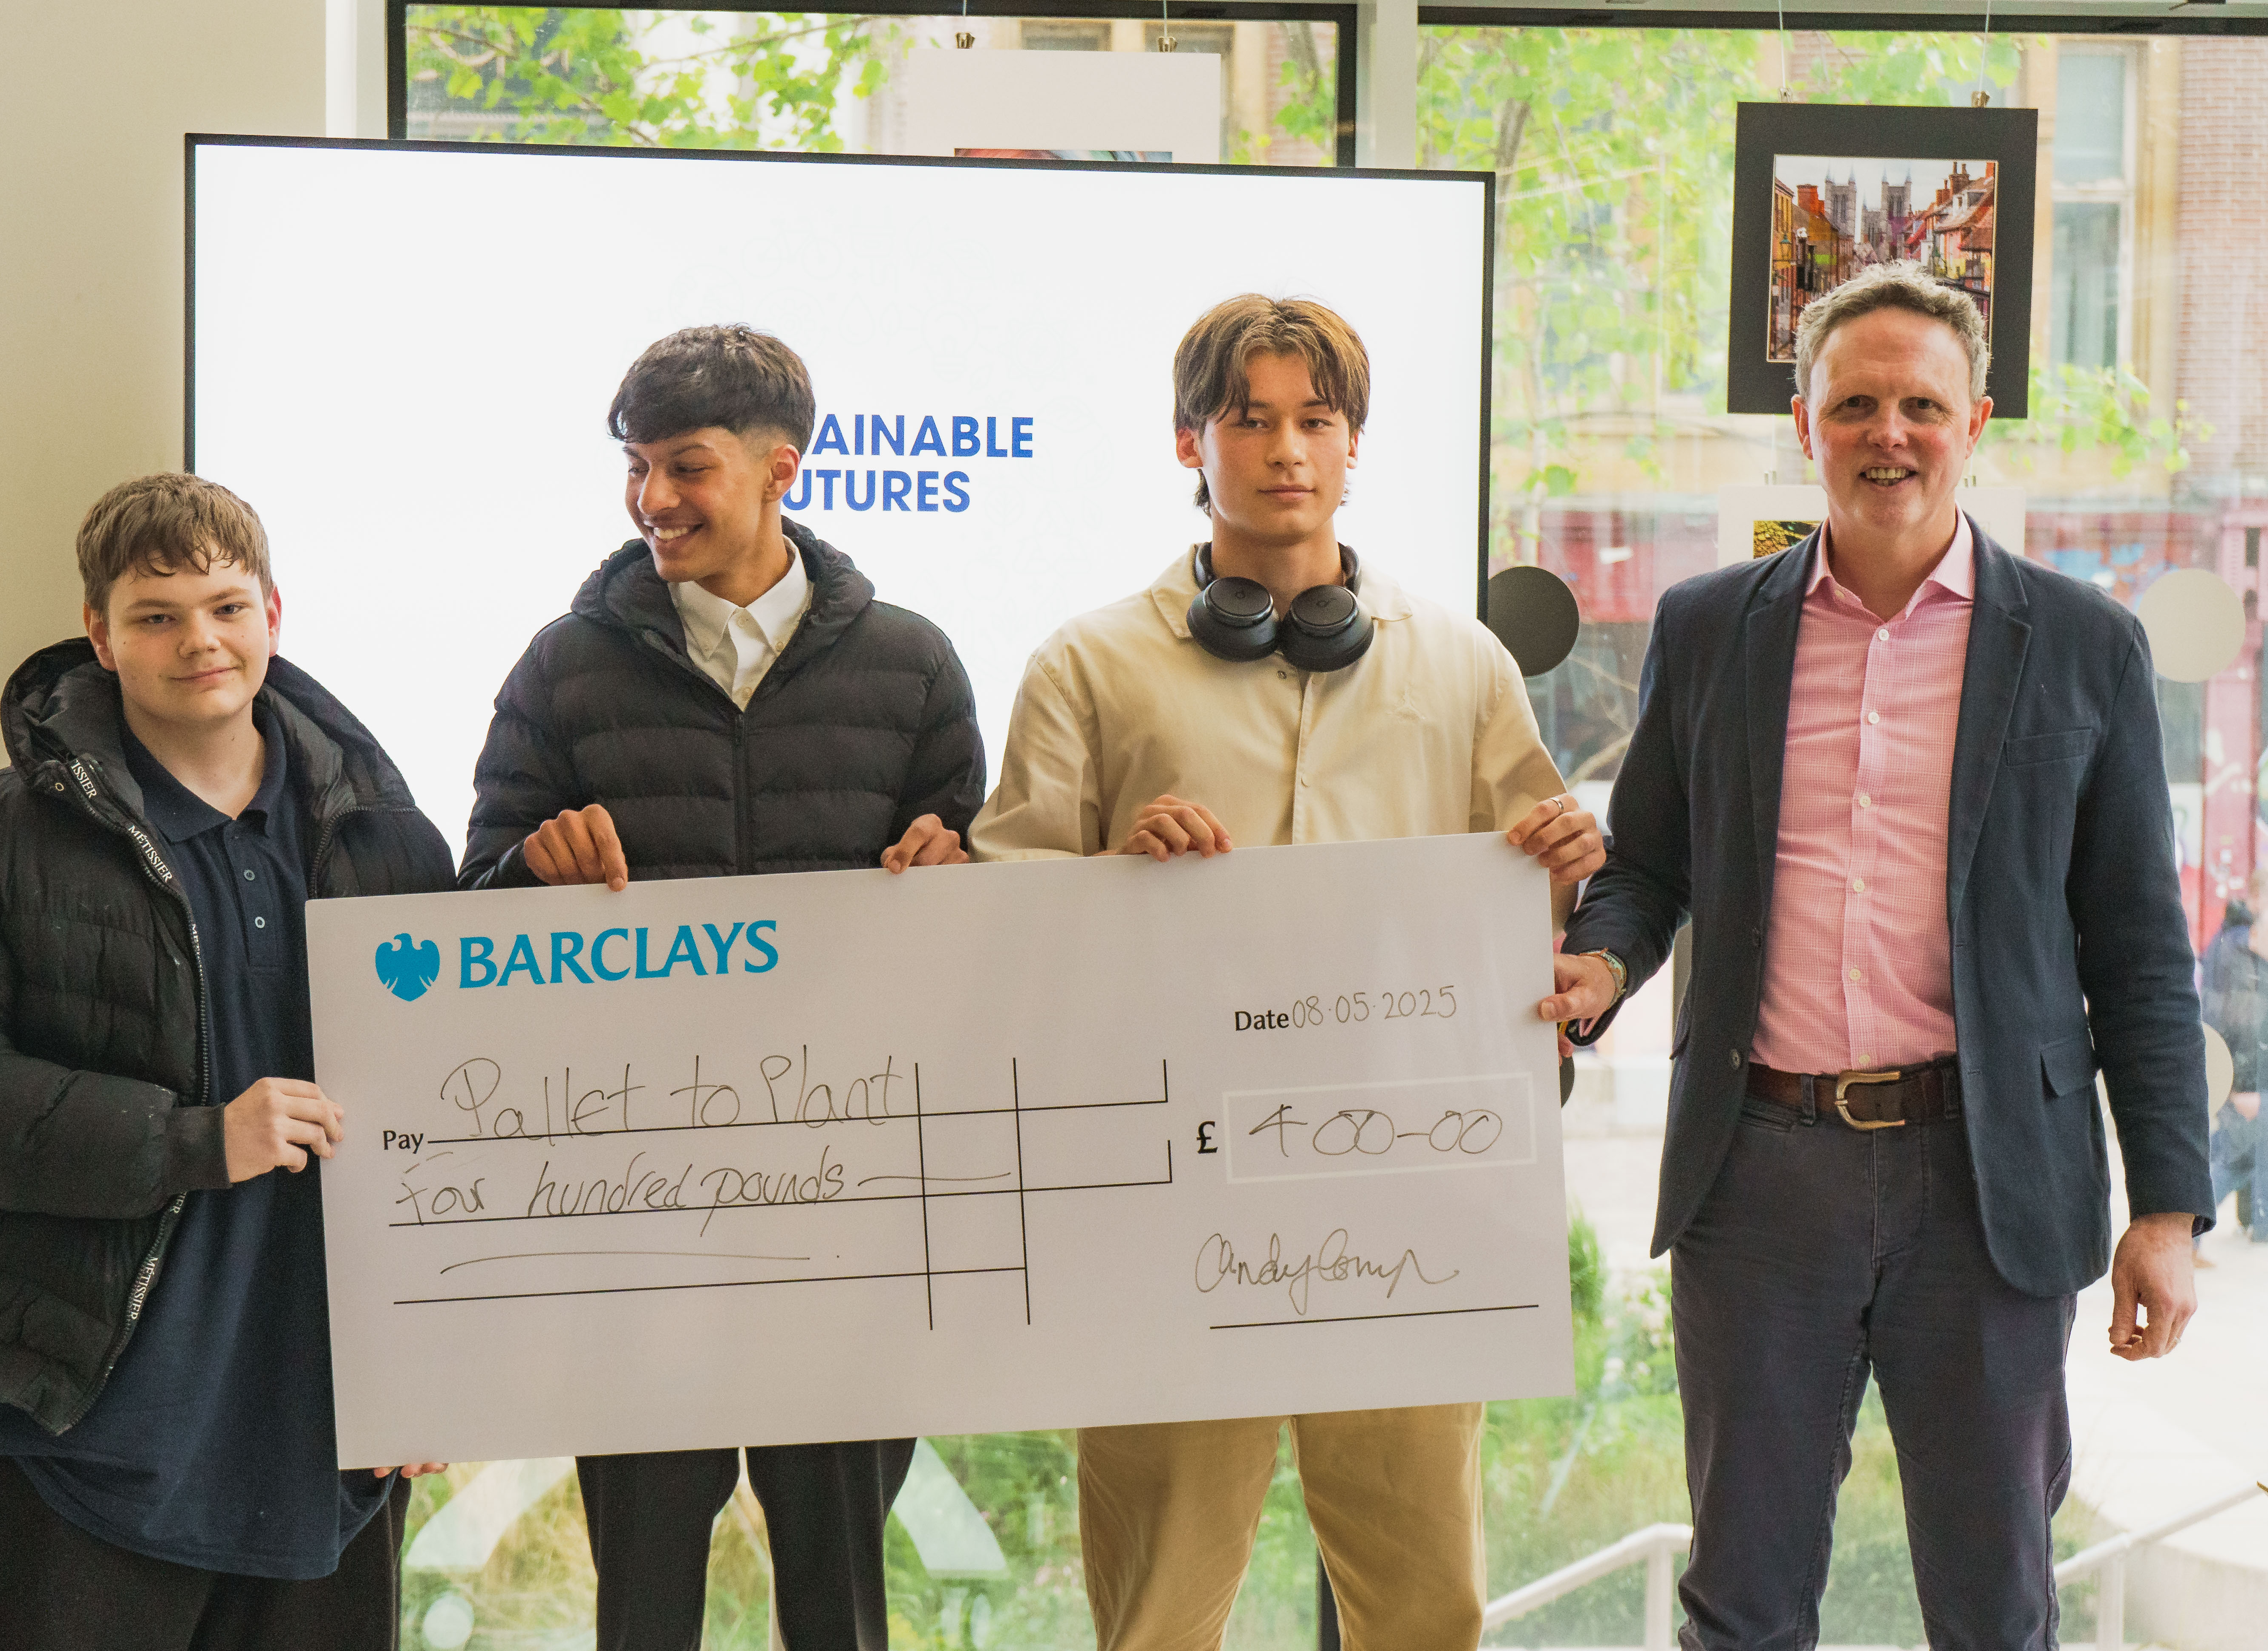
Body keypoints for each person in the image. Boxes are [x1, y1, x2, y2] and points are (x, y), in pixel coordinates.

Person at [1545, 261, 2213, 1646]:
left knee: (1994, 1604)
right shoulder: (1708, 627)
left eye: (1922, 403)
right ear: (1806, 425)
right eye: (1856, 404)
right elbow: (1649, 862)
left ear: (1976, 423)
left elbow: (2142, 951)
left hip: (1986, 1183)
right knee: (1741, 1605)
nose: (1888, 433)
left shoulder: (2086, 648)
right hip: (1760, 1173)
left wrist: (2167, 1210)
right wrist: (1603, 968)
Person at [969, 293, 1605, 1651]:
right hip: (1161, 1201)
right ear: (1188, 441)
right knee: (1155, 1612)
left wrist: (1560, 865)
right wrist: (1110, 873)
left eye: (1313, 418)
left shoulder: (1461, 663)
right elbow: (1003, 915)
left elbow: (1530, 903)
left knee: (1427, 1609)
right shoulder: (1086, 665)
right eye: (1246, 418)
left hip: (1405, 1201)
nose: (1282, 450)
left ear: (1354, 441)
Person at [0, 473, 455, 1650]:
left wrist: (429, 1367)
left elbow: (448, 1114)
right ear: (100, 633)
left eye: (227, 607)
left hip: (319, 1459)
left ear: (275, 613)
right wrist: (190, 1140)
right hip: (72, 1437)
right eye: (158, 615)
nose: (200, 643)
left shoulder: (390, 840)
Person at [459, 323, 982, 1651]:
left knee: (841, 1597)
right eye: (635, 468)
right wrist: (532, 866)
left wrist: (960, 866)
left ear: (780, 468)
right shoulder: (557, 670)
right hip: (635, 1212)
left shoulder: (913, 665)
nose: (652, 501)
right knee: (639, 1600)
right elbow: (468, 919)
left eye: (682, 466)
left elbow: (977, 940)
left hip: (849, 1210)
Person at [2199, 870, 2268, 1244]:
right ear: (2258, 900)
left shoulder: (2241, 941)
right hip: (2242, 1076)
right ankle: (2185, 1237)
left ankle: (2256, 1222)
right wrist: (2238, 1086)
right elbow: (2238, 1022)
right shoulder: (2240, 947)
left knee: (2244, 1152)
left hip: (2242, 1074)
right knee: (2233, 1157)